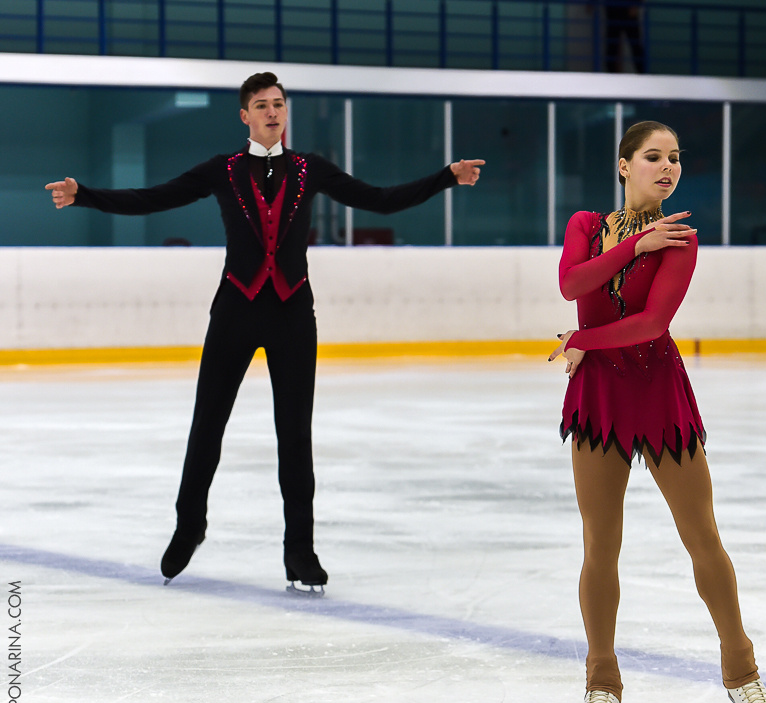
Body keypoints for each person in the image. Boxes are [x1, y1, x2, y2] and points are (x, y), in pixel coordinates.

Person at [46, 71, 484, 596]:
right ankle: (190, 527)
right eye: (262, 104)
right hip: (235, 306)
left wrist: (445, 177)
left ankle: (299, 549)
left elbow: (381, 200)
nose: (273, 111)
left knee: (295, 434)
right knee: (207, 423)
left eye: (279, 103)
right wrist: (85, 195)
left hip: (292, 311)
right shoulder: (223, 170)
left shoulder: (310, 169)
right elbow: (153, 198)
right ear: (244, 115)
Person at [548, 121, 766, 703]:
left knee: (703, 538)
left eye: (675, 158)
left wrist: (580, 340)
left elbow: (650, 325)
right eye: (653, 156)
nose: (667, 166)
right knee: (601, 543)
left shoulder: (682, 240)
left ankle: (741, 665)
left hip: (658, 394)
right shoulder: (585, 226)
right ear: (625, 166)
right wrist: (635, 244)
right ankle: (602, 677)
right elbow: (573, 284)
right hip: (599, 400)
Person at [605, 0, 646, 73]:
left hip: (628, 13)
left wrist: (636, 5)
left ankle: (642, 73)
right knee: (611, 47)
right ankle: (611, 74)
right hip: (613, 13)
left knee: (635, 46)